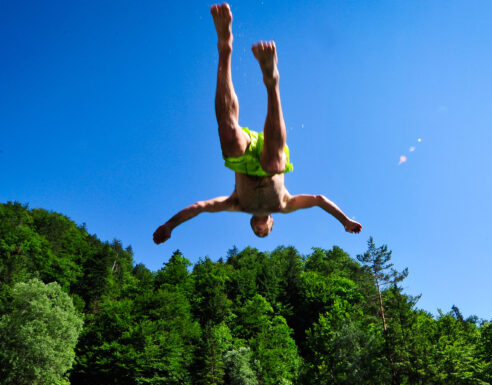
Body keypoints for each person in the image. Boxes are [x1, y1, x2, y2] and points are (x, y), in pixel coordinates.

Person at [153, 3, 362, 245]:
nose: (260, 230)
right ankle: (272, 82)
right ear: (272, 222)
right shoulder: (285, 204)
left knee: (230, 138)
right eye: (265, 232)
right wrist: (344, 220)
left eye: (257, 233)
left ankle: (224, 47)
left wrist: (170, 224)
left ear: (251, 223)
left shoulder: (237, 204)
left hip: (243, 157)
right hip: (271, 155)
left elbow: (200, 207)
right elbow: (319, 199)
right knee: (274, 164)